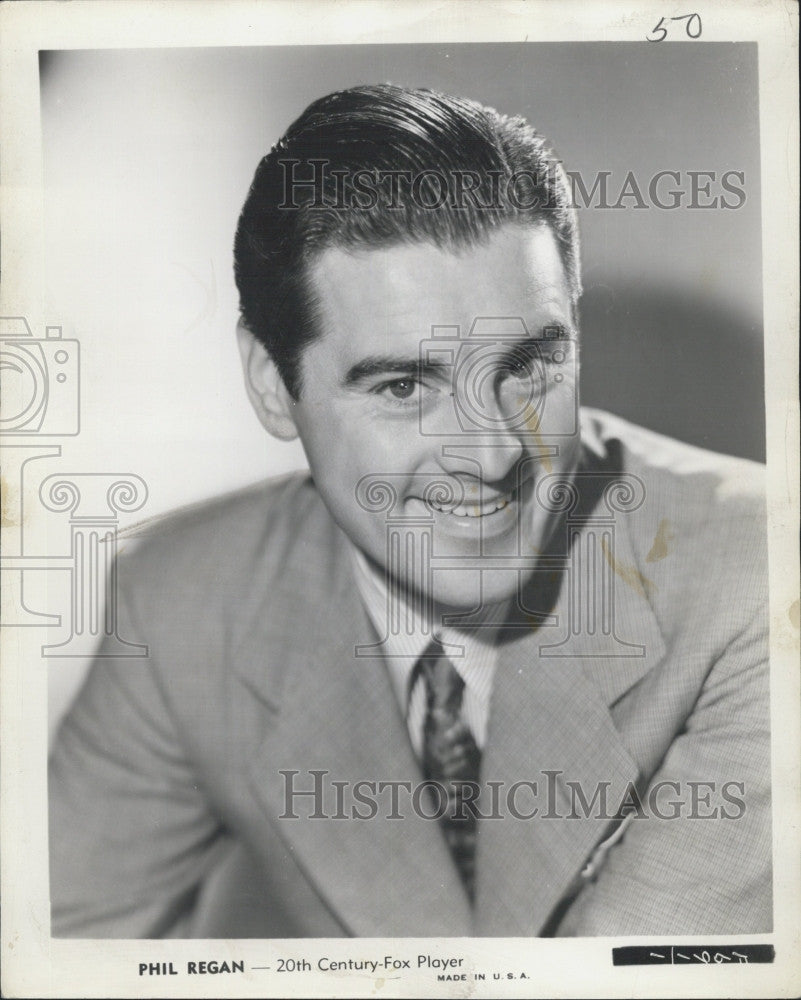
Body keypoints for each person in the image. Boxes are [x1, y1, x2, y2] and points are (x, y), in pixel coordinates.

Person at [49, 84, 770, 938]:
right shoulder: (179, 601)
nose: (495, 452)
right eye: (403, 385)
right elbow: (56, 954)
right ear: (272, 386)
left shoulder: (761, 580)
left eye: (527, 368)